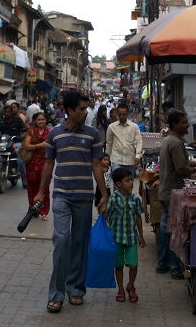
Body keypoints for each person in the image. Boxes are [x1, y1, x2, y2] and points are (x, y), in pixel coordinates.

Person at [34, 92, 107, 313]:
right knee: (62, 239)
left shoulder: (93, 134)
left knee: (80, 243)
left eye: (87, 108)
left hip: (84, 196)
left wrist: (103, 194)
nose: (86, 112)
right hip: (62, 195)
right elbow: (48, 164)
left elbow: (96, 165)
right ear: (70, 110)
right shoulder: (55, 134)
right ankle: (56, 293)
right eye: (82, 109)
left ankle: (76, 288)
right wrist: (41, 192)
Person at [157, 109, 196, 280]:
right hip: (172, 192)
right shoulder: (175, 143)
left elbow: (182, 162)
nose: (187, 125)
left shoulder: (170, 140)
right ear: (174, 125)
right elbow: (181, 168)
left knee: (167, 229)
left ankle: (162, 263)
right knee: (174, 230)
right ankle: (175, 268)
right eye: (183, 122)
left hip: (166, 191)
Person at [106, 167, 146, 303]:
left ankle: (131, 285)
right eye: (127, 180)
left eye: (131, 180)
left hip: (131, 238)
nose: (131, 183)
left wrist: (141, 236)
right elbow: (107, 216)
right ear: (118, 184)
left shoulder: (135, 199)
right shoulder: (113, 199)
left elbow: (138, 217)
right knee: (118, 266)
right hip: (116, 238)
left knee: (133, 265)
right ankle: (121, 289)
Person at [23, 112, 51, 221]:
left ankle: (44, 211)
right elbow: (26, 146)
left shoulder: (50, 131)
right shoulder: (31, 131)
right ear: (35, 121)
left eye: (43, 119)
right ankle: (33, 209)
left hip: (46, 163)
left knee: (44, 188)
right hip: (32, 164)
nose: (41, 121)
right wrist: (41, 145)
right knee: (32, 188)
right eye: (39, 120)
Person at [0, 105, 28, 188]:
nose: (6, 113)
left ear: (12, 112)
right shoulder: (1, 122)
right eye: (5, 112)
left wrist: (22, 136)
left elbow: (24, 130)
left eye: (8, 111)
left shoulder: (18, 120)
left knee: (20, 160)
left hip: (15, 142)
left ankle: (25, 180)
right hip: (3, 143)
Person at [105, 104, 143, 177]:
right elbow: (109, 144)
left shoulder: (134, 127)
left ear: (127, 114)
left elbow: (139, 142)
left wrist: (138, 155)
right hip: (116, 160)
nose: (122, 116)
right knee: (117, 184)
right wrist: (107, 158)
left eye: (124, 114)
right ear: (117, 114)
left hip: (130, 160)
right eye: (120, 114)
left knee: (128, 185)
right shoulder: (111, 127)